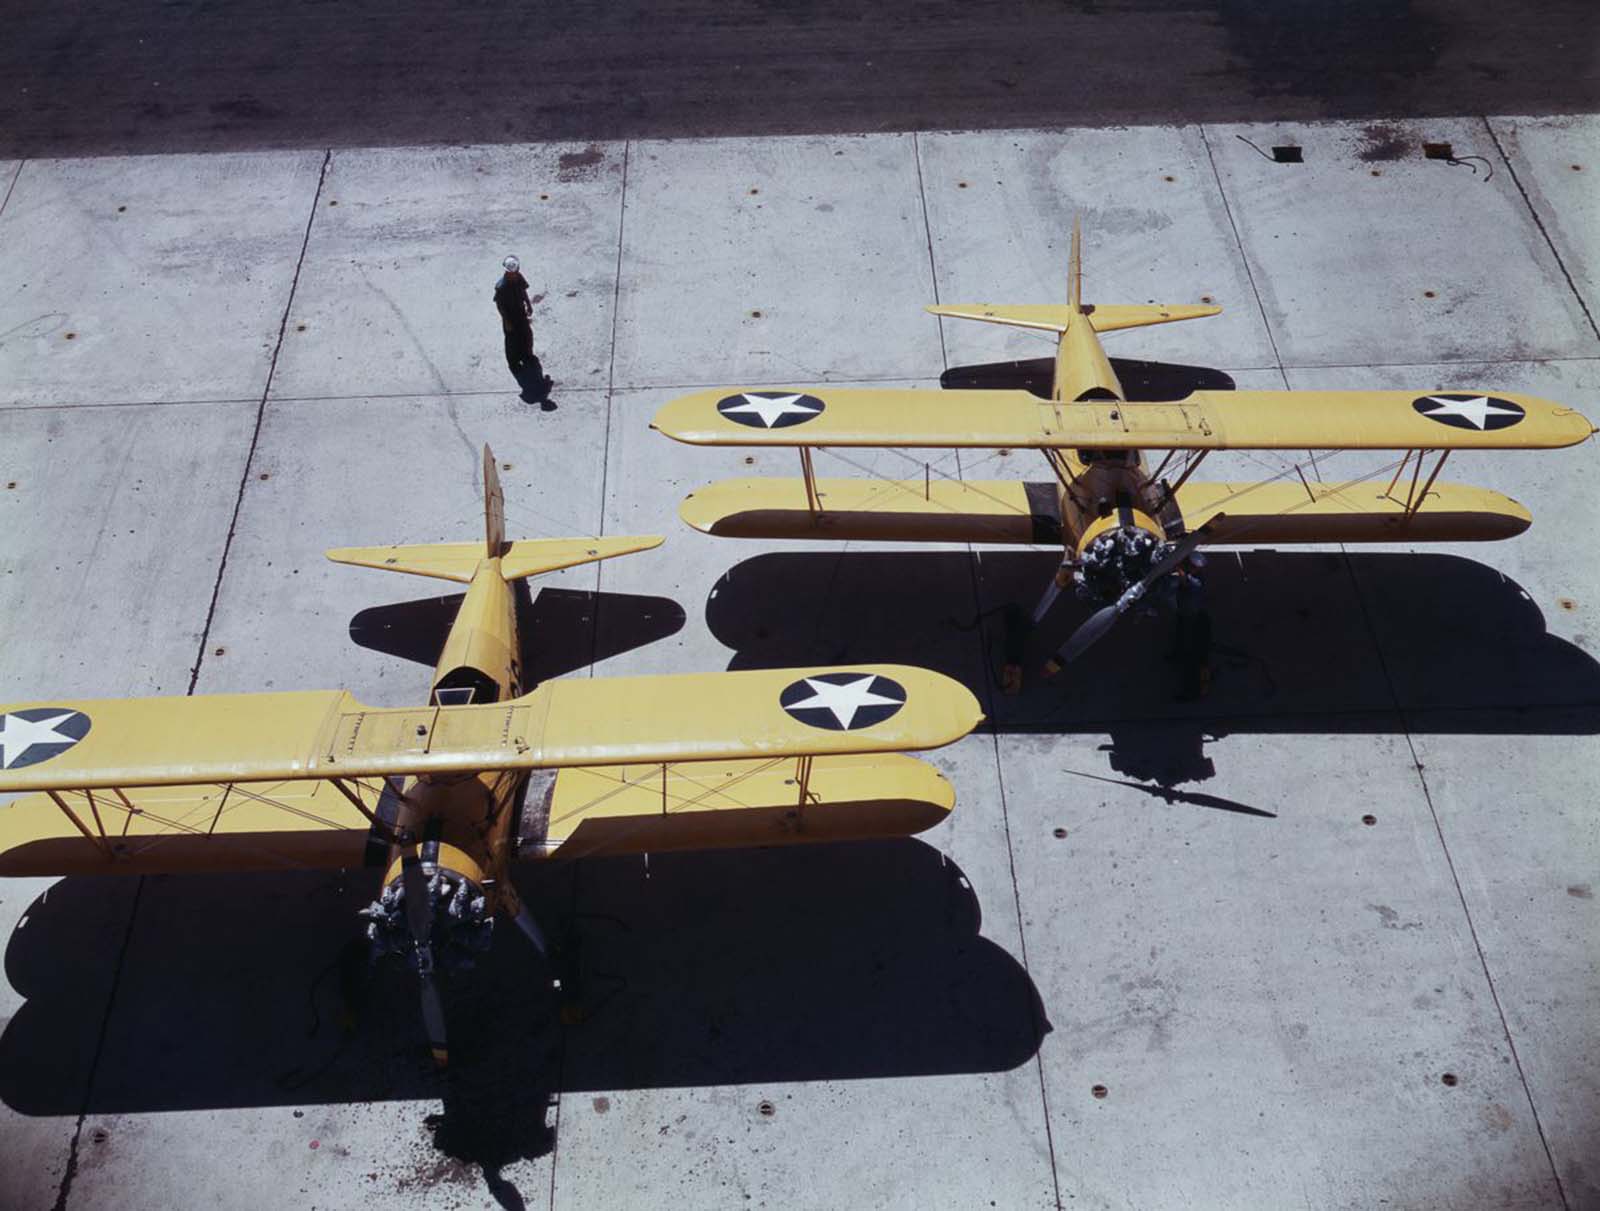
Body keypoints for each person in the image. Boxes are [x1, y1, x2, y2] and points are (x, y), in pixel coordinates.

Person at [494, 256, 552, 404]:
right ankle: (513, 360)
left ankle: (526, 355)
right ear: (506, 271)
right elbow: (500, 305)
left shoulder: (519, 278)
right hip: (510, 316)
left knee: (526, 336)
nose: (514, 272)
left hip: (520, 313)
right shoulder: (501, 286)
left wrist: (528, 304)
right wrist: (506, 321)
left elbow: (524, 291)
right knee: (512, 340)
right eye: (511, 271)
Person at [1171, 552, 1213, 700]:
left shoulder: (1195, 582)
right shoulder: (1194, 576)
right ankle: (1176, 654)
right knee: (1180, 637)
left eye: (1190, 566)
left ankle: (1192, 692)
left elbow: (1184, 580)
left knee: (1192, 660)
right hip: (1185, 615)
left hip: (1191, 619)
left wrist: (1175, 565)